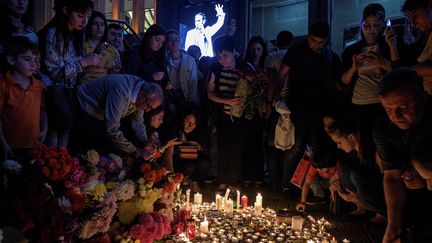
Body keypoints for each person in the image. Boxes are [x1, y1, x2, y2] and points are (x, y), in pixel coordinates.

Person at [275, 21, 340, 195]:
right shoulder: (297, 51)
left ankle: (305, 184)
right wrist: (276, 95)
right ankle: (286, 184)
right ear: (308, 36)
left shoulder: (329, 56)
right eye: (313, 40)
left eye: (321, 42)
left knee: (313, 146)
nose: (316, 45)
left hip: (320, 108)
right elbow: (282, 73)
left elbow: (334, 83)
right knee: (296, 146)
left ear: (326, 40)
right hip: (298, 105)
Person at [373, 68, 432, 242]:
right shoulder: (383, 128)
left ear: (422, 97)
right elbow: (391, 176)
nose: (395, 116)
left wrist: (427, 179)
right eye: (388, 109)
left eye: (403, 107)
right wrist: (393, 227)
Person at [341, 3, 398, 166]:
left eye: (376, 25)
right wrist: (353, 68)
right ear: (361, 24)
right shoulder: (352, 50)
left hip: (383, 103)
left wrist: (383, 62)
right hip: (359, 103)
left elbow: (401, 72)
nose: (370, 30)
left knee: (384, 147)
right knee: (365, 147)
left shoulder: (389, 45)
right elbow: (342, 82)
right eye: (366, 25)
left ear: (383, 25)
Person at [39, 0, 99, 148]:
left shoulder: (77, 35)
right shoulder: (54, 34)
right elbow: (56, 73)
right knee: (55, 132)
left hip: (69, 91)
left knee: (66, 131)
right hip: (54, 92)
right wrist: (84, 62)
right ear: (65, 10)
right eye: (80, 15)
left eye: (88, 16)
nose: (85, 21)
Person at [207, 35, 263, 189]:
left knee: (238, 147)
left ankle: (233, 180)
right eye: (219, 56)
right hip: (223, 114)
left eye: (225, 55)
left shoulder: (245, 67)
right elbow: (210, 93)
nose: (222, 59)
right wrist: (227, 101)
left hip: (241, 117)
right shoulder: (216, 68)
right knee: (223, 146)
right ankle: (222, 180)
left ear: (233, 52)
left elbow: (256, 89)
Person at [76, 74, 164, 156]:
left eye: (151, 108)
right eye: (148, 106)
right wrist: (136, 151)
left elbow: (138, 121)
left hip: (100, 116)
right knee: (101, 153)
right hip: (83, 107)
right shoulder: (121, 91)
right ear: (142, 94)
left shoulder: (142, 93)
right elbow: (112, 129)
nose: (147, 110)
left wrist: (144, 142)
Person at [327, 118, 386, 223]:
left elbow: (387, 182)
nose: (338, 146)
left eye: (339, 142)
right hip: (367, 189)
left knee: (355, 174)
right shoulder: (353, 153)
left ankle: (382, 214)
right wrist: (336, 182)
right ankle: (361, 208)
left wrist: (358, 198)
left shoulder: (374, 152)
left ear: (351, 137)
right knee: (344, 168)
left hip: (382, 195)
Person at [0, 36, 47, 162]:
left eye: (35, 60)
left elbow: (42, 110)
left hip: (33, 145)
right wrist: (3, 143)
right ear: (11, 60)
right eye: (27, 59)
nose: (33, 65)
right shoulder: (4, 85)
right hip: (10, 145)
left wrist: (44, 128)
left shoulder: (38, 85)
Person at [79, 11, 122, 84]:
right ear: (89, 25)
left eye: (102, 24)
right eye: (95, 24)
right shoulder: (81, 45)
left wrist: (114, 71)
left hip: (106, 86)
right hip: (86, 86)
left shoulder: (112, 49)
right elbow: (76, 73)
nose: (99, 27)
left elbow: (116, 75)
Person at [166, 30, 199, 105]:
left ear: (180, 41)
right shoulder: (164, 60)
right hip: (169, 98)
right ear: (166, 43)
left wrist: (192, 102)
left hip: (186, 96)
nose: (174, 42)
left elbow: (193, 83)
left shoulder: (190, 60)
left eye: (176, 39)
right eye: (170, 40)